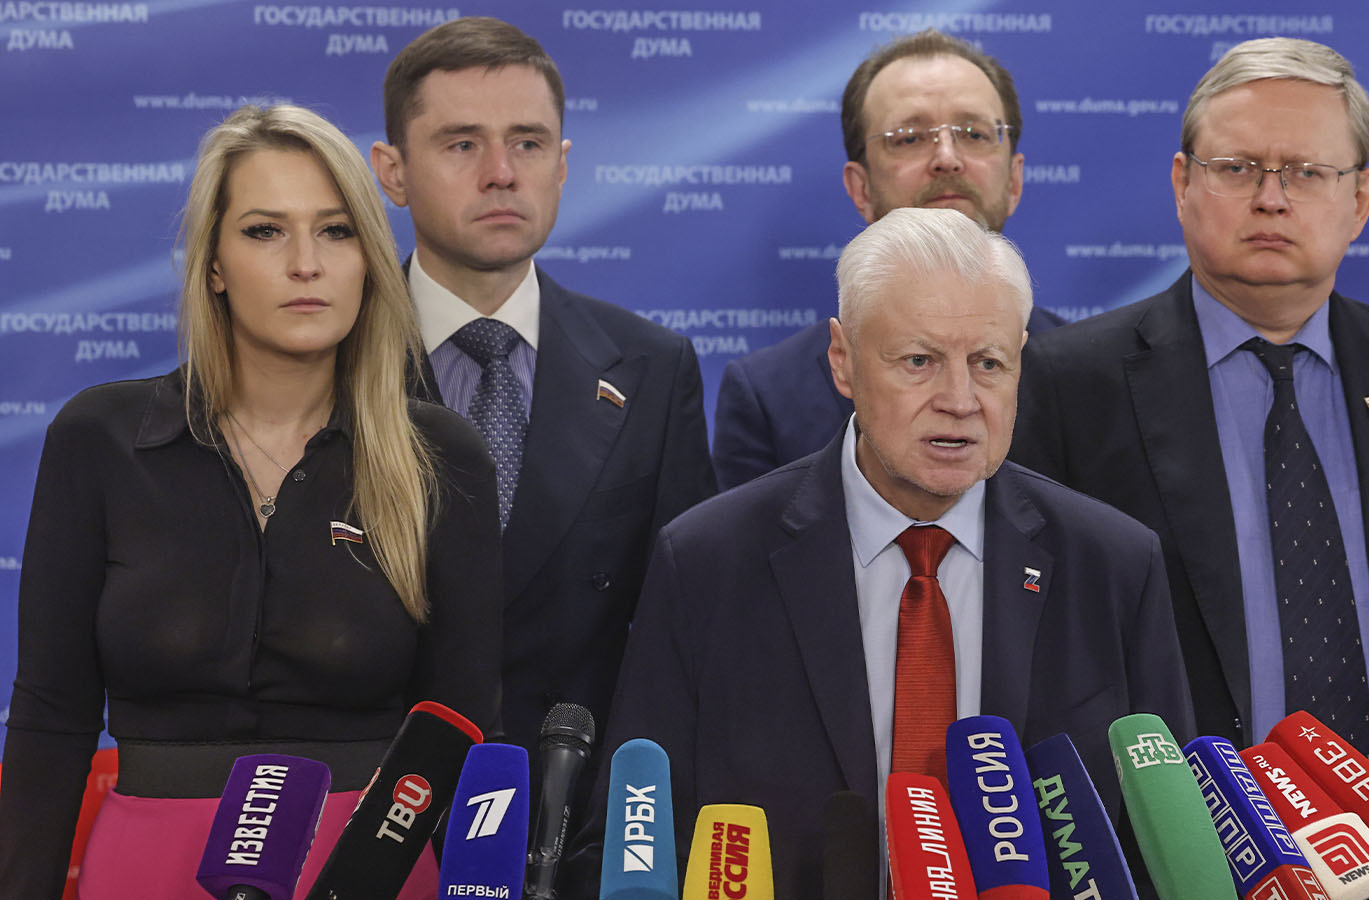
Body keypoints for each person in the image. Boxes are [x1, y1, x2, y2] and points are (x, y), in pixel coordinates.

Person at [1010, 38, 1369, 897]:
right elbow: (1040, 673)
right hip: (1187, 871)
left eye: (1307, 172)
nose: (1270, 197)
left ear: (1360, 198)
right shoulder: (1072, 383)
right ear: (1182, 183)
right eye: (1237, 167)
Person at [583, 207, 1193, 897]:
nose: (959, 400)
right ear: (842, 360)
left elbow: (1164, 850)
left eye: (988, 363)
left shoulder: (1114, 565)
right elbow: (639, 840)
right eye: (919, 361)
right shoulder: (706, 563)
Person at [0, 104, 502, 899]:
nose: (306, 263)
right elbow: (51, 716)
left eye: (336, 231)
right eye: (266, 231)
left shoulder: (438, 454)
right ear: (214, 266)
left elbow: (466, 734)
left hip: (370, 869)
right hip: (147, 867)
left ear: (370, 261)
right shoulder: (98, 438)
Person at [368, 18, 717, 777]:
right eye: (462, 144)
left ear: (561, 165)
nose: (501, 173)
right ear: (392, 173)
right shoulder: (332, 360)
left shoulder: (653, 370)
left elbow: (690, 634)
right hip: (367, 804)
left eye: (527, 143)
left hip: (577, 809)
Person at [711, 29, 1063, 491]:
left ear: (1014, 180)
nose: (947, 158)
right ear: (861, 188)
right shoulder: (768, 396)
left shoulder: (1091, 376)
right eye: (909, 138)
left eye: (974, 134)